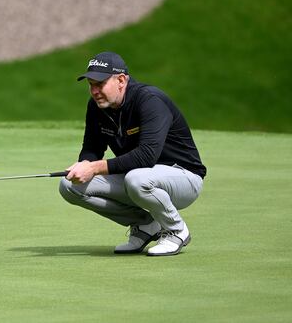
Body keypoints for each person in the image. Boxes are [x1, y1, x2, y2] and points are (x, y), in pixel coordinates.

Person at [58, 52, 206, 256]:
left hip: (184, 177)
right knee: (69, 186)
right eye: (91, 84)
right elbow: (92, 147)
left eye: (99, 84)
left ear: (121, 80)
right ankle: (146, 225)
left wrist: (94, 168)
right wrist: (83, 165)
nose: (94, 91)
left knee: (136, 179)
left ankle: (176, 230)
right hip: (137, 177)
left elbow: (147, 155)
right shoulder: (96, 107)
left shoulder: (149, 100)